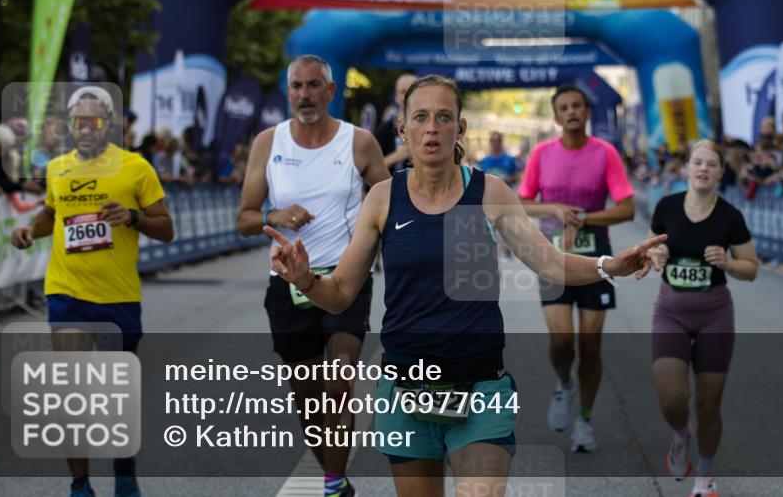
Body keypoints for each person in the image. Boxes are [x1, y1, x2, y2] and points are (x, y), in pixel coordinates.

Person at [265, 74, 666, 497]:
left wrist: (610, 266)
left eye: (444, 117)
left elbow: (548, 262)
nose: (432, 128)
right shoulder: (383, 198)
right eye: (420, 117)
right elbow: (341, 292)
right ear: (403, 128)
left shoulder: (490, 193)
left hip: (479, 388)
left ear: (461, 127)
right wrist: (305, 279)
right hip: (406, 390)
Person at [10, 86, 175, 497]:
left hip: (118, 296)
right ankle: (80, 484)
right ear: (69, 125)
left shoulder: (135, 168)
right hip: (66, 292)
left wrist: (133, 217)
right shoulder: (57, 168)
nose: (85, 128)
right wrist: (31, 230)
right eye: (78, 122)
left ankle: (124, 467)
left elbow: (166, 228)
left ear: (109, 123)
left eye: (93, 121)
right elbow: (53, 213)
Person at [237, 55, 390, 497]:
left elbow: (385, 206)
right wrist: (276, 213)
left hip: (345, 278)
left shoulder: (358, 143)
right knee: (307, 398)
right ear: (290, 92)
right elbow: (245, 218)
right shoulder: (269, 142)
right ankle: (335, 478)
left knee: (339, 385)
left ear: (330, 90)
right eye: (297, 87)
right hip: (288, 282)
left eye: (312, 86)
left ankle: (332, 484)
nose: (304, 95)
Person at [517, 84, 635, 452]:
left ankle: (584, 420)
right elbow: (522, 202)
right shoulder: (541, 153)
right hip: (551, 255)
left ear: (586, 112)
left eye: (577, 106)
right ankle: (564, 383)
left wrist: (584, 217)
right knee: (562, 341)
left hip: (595, 254)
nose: (571, 112)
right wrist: (553, 210)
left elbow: (627, 208)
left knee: (591, 344)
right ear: (555, 117)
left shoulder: (606, 153)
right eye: (564, 107)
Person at [646, 139, 759, 497]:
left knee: (709, 404)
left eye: (711, 165)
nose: (703, 169)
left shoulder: (730, 217)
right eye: (697, 162)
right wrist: (657, 254)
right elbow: (647, 253)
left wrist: (728, 263)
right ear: (687, 167)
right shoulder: (666, 207)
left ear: (721, 173)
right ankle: (681, 435)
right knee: (671, 397)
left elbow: (752, 268)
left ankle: (706, 476)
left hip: (714, 314)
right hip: (671, 311)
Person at [376, 73, 418, 172]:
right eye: (403, 92)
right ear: (396, 97)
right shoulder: (385, 129)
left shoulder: (431, 127)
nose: (408, 95)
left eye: (412, 91)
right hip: (392, 185)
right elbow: (370, 168)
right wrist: (397, 156)